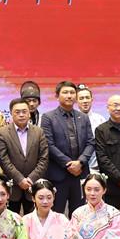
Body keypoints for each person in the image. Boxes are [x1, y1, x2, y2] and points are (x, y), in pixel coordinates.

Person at [40, 81, 94, 216]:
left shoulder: (83, 117)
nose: (69, 96)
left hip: (80, 173)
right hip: (58, 174)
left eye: (72, 93)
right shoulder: (48, 117)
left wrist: (80, 162)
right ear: (57, 96)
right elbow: (48, 144)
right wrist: (68, 164)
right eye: (65, 92)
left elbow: (90, 142)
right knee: (56, 215)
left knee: (79, 215)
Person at [0, 97, 49, 215]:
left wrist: (30, 179)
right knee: (11, 221)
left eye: (24, 111)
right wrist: (20, 179)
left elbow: (44, 158)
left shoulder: (39, 132)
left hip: (33, 186)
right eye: (17, 112)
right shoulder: (2, 133)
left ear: (29, 113)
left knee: (33, 221)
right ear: (11, 114)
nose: (21, 115)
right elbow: (3, 159)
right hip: (12, 187)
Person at [76, 85, 106, 172]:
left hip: (98, 168)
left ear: (92, 99)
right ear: (76, 101)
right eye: (81, 98)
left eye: (87, 98)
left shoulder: (100, 120)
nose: (85, 101)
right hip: (77, 168)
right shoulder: (70, 120)